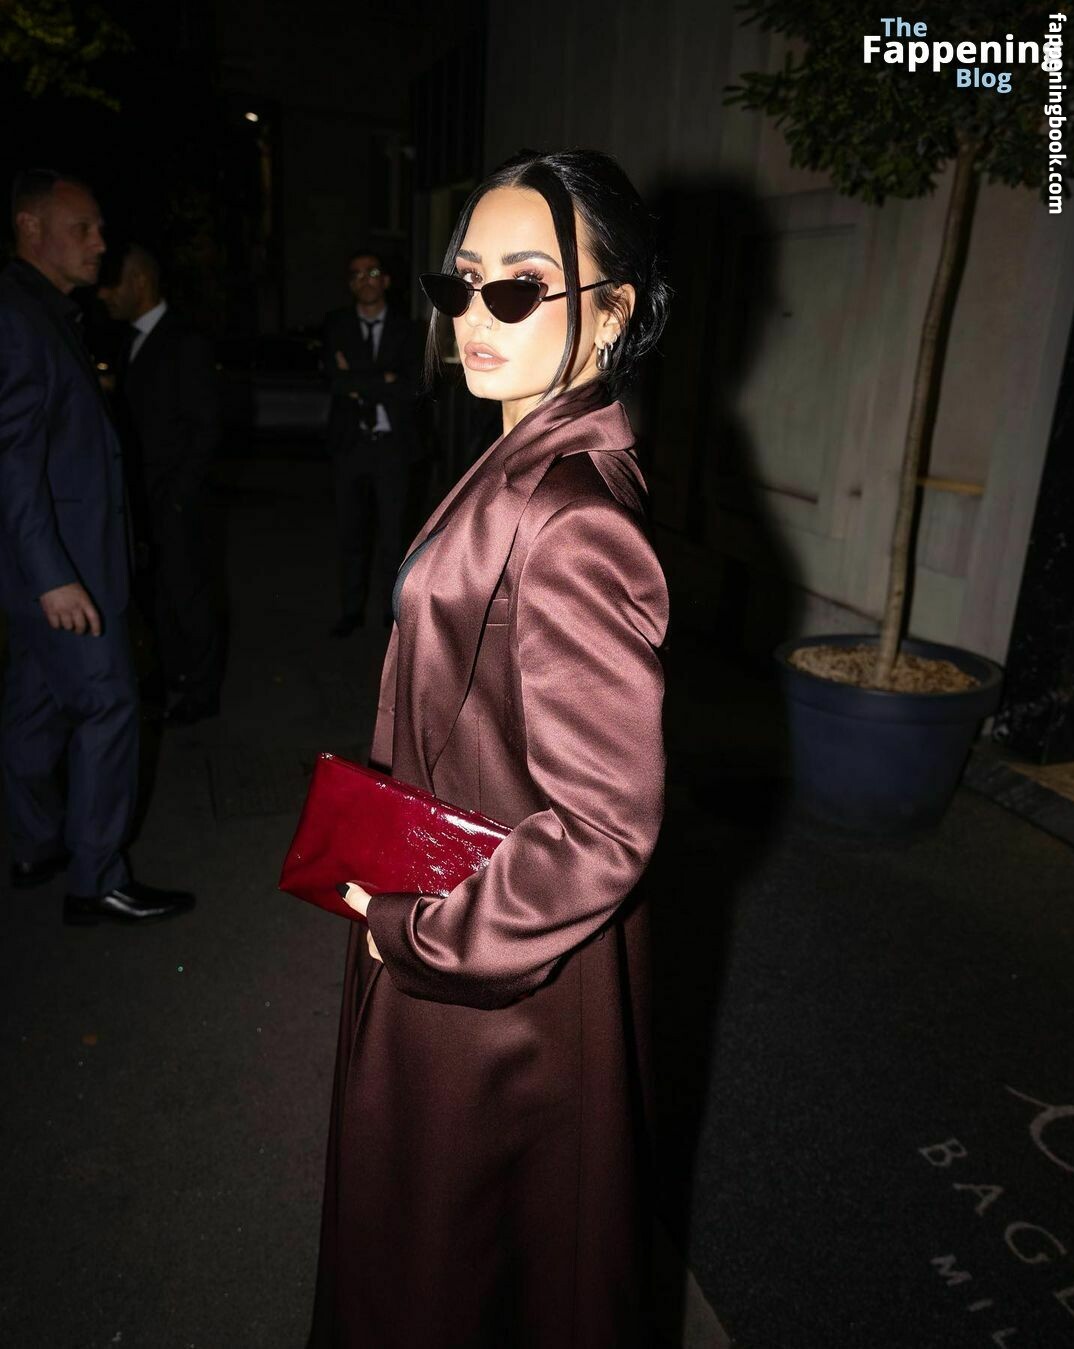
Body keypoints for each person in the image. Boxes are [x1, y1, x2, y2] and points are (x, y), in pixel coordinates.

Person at [308, 149, 671, 1348]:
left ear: (610, 311)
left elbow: (603, 829)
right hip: (464, 913)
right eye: (458, 283)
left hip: (491, 973)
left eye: (518, 286)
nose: (474, 314)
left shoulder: (570, 517)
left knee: (452, 1268)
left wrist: (417, 932)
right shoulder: (516, 457)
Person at [0, 169, 194, 924]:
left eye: (101, 228)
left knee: (34, 703)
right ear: (30, 227)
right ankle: (96, 880)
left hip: (46, 567)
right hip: (61, 570)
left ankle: (35, 843)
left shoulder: (46, 312)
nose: (100, 243)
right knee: (110, 706)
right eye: (82, 228)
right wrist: (53, 576)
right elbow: (11, 459)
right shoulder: (20, 317)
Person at [98, 242, 223, 726]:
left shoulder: (184, 341)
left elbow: (206, 428)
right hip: (142, 501)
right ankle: (171, 679)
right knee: (159, 597)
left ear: (140, 282)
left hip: (174, 502)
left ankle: (199, 692)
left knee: (188, 597)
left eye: (113, 283)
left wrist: (177, 499)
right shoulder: (129, 341)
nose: (104, 294)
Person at [321, 247, 424, 635]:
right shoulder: (336, 326)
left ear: (387, 281)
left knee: (393, 536)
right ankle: (351, 610)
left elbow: (411, 387)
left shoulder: (407, 330)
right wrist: (384, 379)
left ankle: (390, 613)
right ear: (350, 284)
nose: (365, 280)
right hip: (349, 444)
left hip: (392, 447)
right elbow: (334, 382)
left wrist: (358, 380)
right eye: (357, 274)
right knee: (350, 532)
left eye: (373, 272)